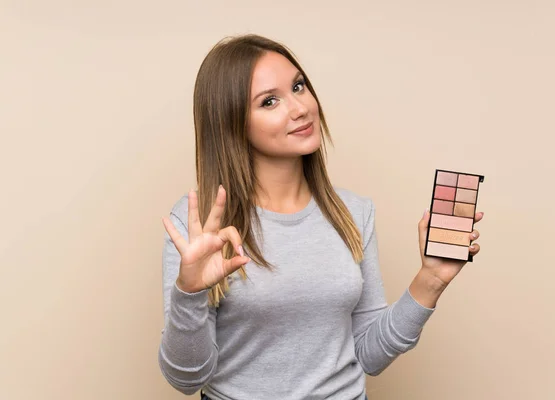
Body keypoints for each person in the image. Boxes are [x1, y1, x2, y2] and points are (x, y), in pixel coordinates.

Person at [158, 34, 484, 400]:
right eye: (269, 101)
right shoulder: (200, 227)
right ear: (231, 122)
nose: (299, 108)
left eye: (298, 86)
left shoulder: (354, 213)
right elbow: (186, 379)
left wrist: (431, 280)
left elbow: (366, 354)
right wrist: (189, 292)